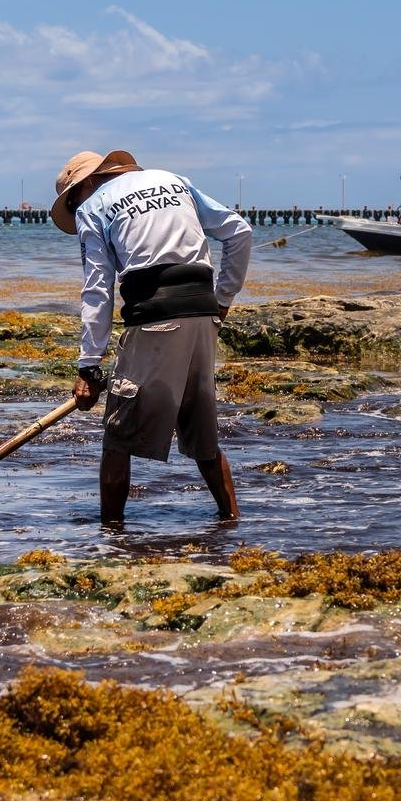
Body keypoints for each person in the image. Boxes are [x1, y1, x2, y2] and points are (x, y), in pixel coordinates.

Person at [50, 149, 253, 525]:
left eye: (73, 198)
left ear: (87, 184)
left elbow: (97, 290)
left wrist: (88, 366)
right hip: (203, 313)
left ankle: (111, 536)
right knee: (202, 435)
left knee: (116, 438)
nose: (77, 207)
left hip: (155, 317)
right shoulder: (172, 179)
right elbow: (239, 231)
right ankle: (231, 523)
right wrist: (223, 298)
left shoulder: (92, 207)